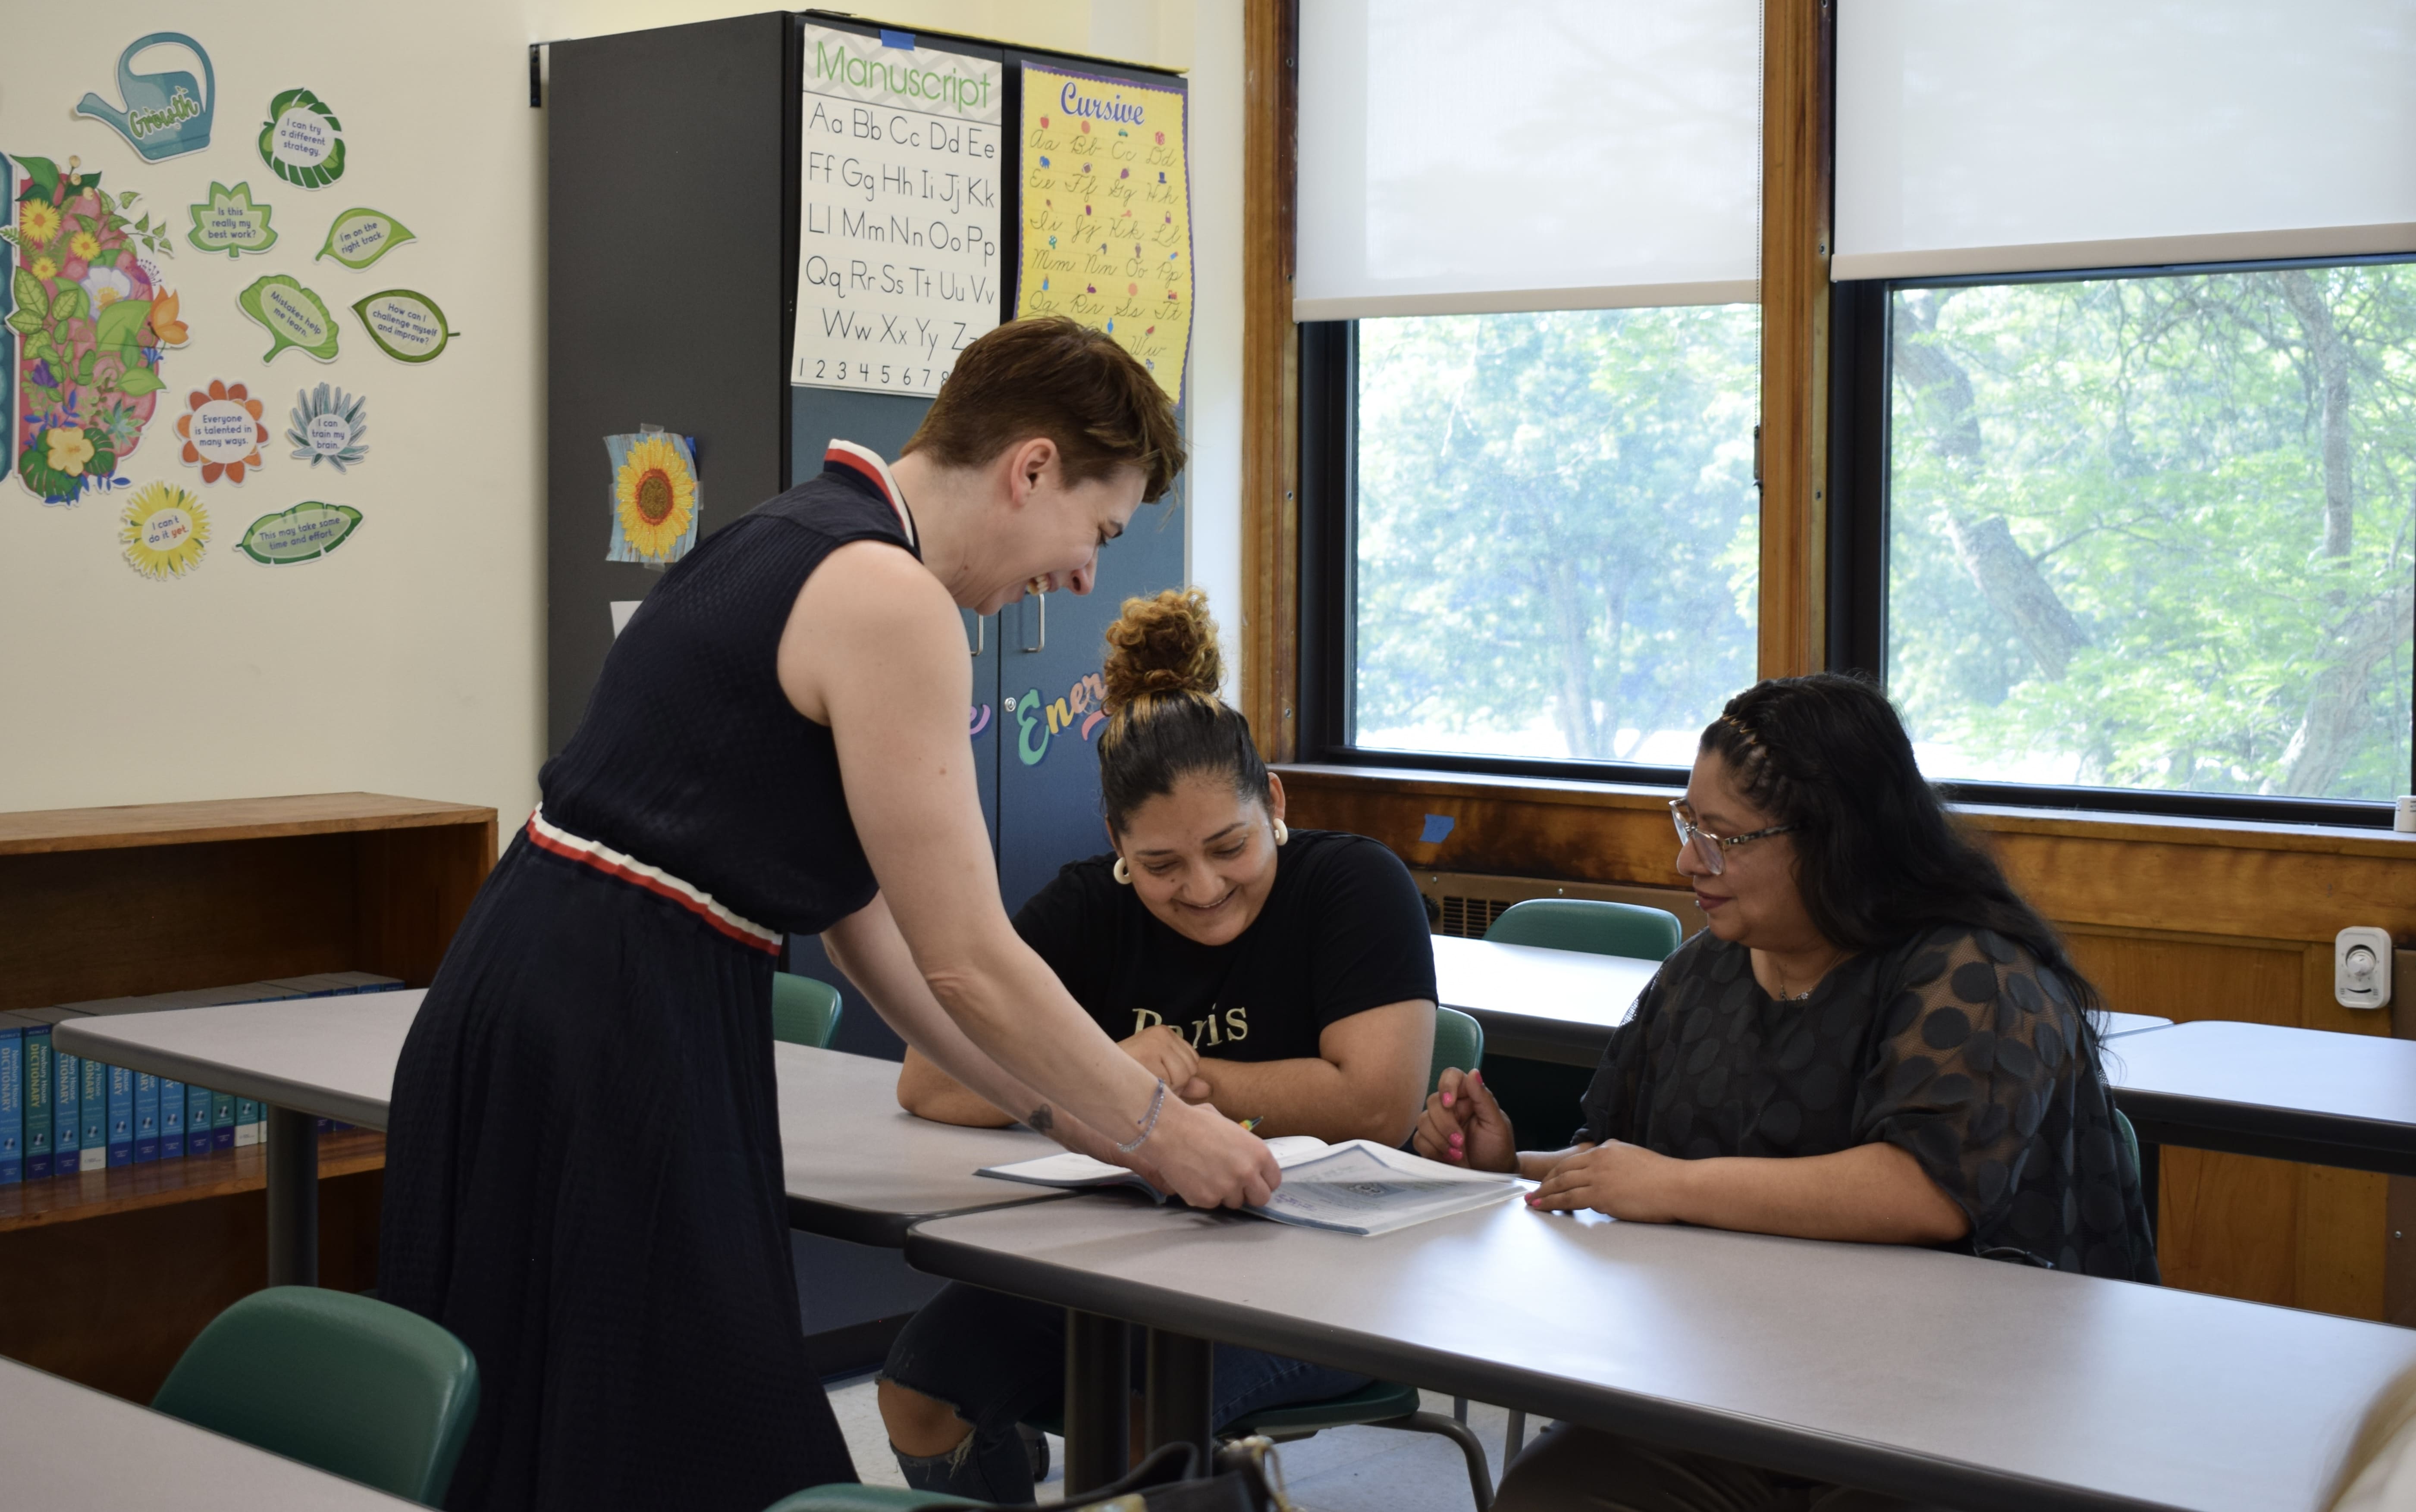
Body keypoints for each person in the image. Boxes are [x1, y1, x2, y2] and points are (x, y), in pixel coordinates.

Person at [378, 320, 1281, 1512]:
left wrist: (1058, 1110)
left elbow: (877, 934)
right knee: (694, 1429)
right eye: (1096, 531)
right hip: (618, 1016)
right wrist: (1160, 1128)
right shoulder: (893, 602)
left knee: (554, 1414)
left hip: (535, 980)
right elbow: (969, 956)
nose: (1082, 578)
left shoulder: (794, 533)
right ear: (1031, 467)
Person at [1417, 673, 2157, 1512]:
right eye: (1687, 823)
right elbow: (1624, 1164)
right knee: (1552, 1498)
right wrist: (1508, 1164)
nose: (1687, 859)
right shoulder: (1705, 970)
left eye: (1722, 837)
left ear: (1834, 838)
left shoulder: (1972, 971)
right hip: (1732, 1386)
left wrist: (1669, 1186)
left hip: (1957, 1417)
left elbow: (1924, 1189)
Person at [877, 588, 1437, 1502]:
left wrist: (1168, 1082)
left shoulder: (1351, 886)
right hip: (1119, 1251)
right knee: (916, 1389)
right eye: (1161, 865)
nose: (1204, 887)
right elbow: (930, 1082)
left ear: (1275, 802)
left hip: (1325, 1269)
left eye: (1229, 847)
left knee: (1147, 1424)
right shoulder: (1085, 906)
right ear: (1115, 843)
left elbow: (1376, 1100)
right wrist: (1109, 1074)